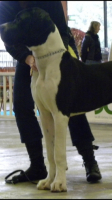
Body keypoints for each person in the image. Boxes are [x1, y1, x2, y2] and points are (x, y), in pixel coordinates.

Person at [0, 1, 102, 184]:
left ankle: (89, 160)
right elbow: (9, 38)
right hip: (29, 55)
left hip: (59, 51)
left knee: (70, 103)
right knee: (22, 106)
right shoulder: (6, 4)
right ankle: (37, 165)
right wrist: (28, 58)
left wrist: (57, 59)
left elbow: (62, 30)